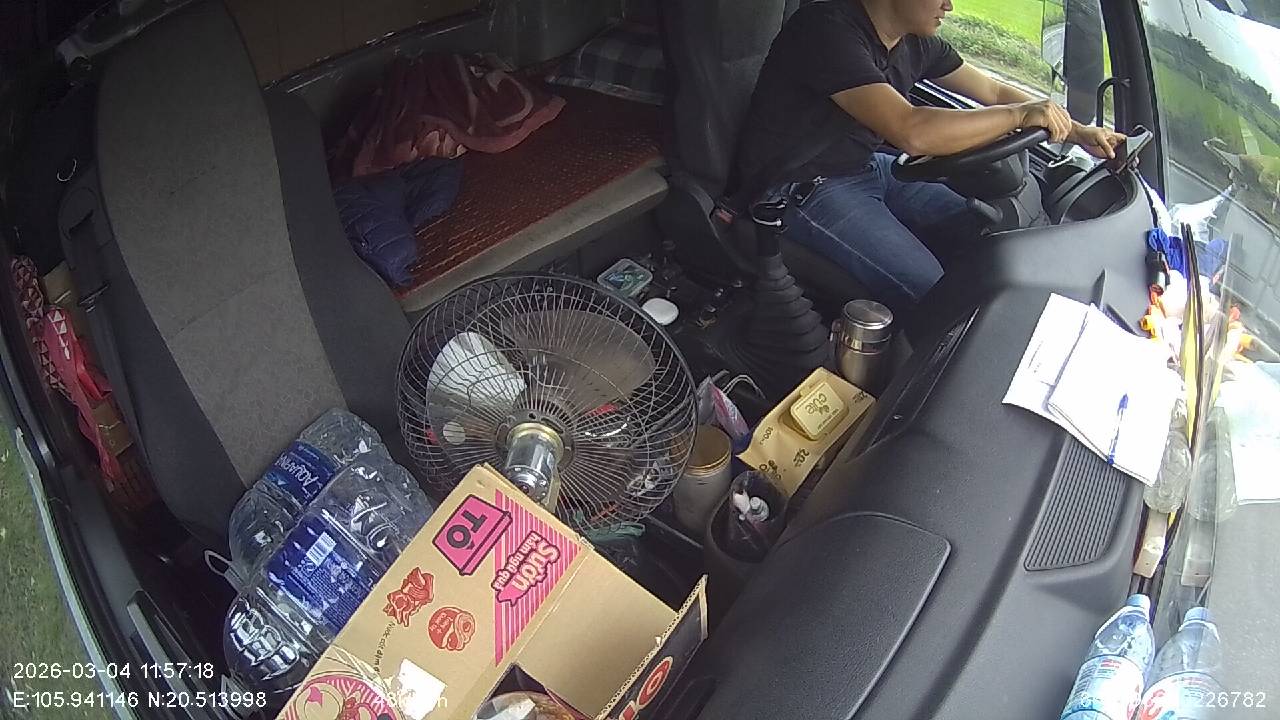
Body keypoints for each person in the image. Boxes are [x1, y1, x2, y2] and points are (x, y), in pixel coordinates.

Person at [735, 0, 1126, 310]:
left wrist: (1077, 132)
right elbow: (913, 131)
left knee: (984, 232)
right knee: (939, 296)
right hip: (801, 187)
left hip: (867, 168)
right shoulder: (825, 31)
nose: (949, 6)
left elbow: (993, 91)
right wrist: (1019, 116)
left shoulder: (913, 42)